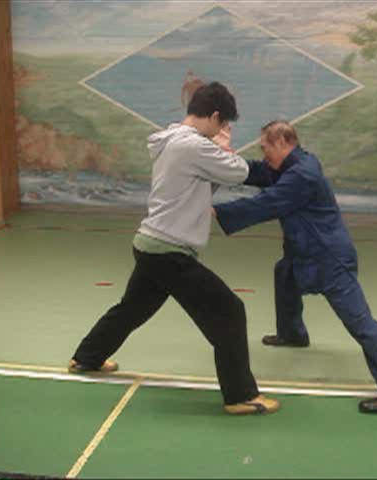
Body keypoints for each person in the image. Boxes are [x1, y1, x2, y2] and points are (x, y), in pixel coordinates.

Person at [68, 82, 279, 416]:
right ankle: (240, 395)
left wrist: (220, 151)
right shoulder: (192, 145)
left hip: (150, 246)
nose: (221, 131)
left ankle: (86, 357)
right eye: (222, 124)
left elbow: (208, 180)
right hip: (169, 252)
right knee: (229, 311)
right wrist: (227, 150)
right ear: (214, 116)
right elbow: (240, 172)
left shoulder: (172, 140)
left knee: (132, 309)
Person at [213, 121, 377, 413]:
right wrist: (226, 164)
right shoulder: (288, 166)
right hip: (304, 254)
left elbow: (268, 203)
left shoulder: (302, 175)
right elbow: (258, 172)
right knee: (284, 274)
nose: (263, 153)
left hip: (330, 258)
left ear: (282, 143)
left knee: (361, 323)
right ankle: (293, 333)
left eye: (265, 147)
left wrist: (216, 211)